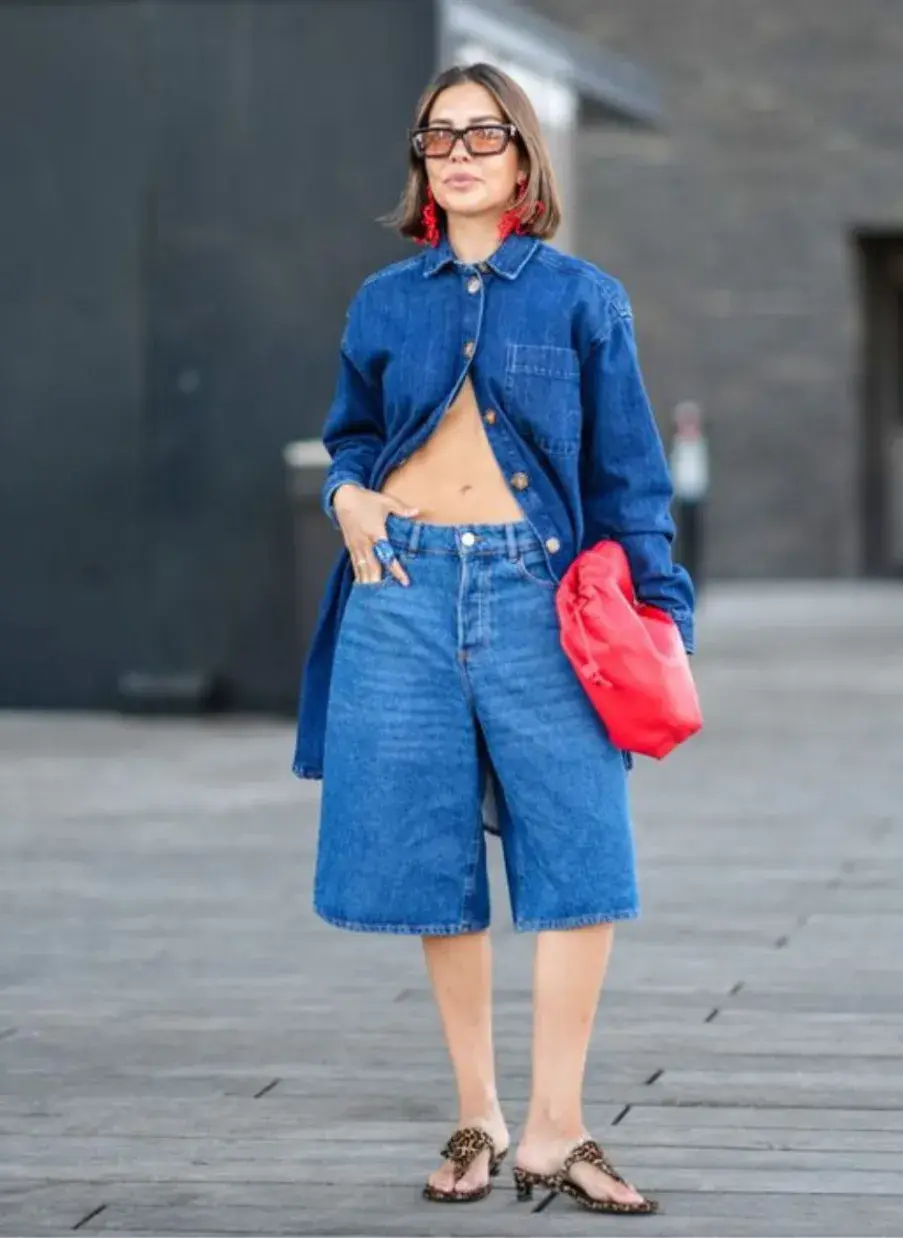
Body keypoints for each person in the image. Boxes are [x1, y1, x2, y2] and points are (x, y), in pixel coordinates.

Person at [292, 62, 695, 1215]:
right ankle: (479, 1109)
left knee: (578, 849)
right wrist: (347, 498)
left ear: (524, 159)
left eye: (485, 132)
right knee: (433, 859)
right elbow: (352, 439)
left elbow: (629, 476)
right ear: (421, 164)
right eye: (438, 136)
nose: (459, 149)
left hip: (538, 596)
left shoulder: (583, 298)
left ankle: (557, 1125)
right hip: (402, 589)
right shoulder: (383, 301)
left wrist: (663, 618)